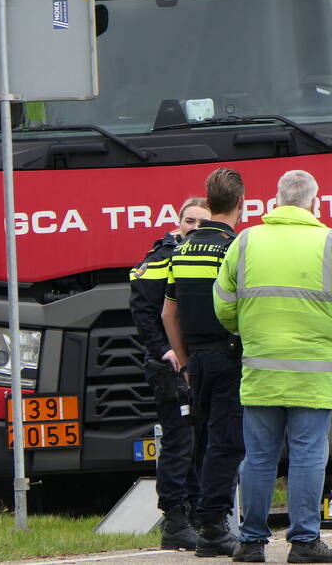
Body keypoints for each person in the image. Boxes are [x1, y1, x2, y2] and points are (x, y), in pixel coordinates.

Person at [214, 170, 332, 564]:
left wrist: (247, 331)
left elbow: (222, 303)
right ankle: (304, 542)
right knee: (307, 456)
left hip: (261, 371)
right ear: (314, 201)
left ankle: (251, 542)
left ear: (277, 199)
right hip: (314, 374)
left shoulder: (247, 241)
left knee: (259, 457)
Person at [162, 169, 245, 557]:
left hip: (196, 359)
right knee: (226, 442)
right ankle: (214, 524)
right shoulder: (236, 249)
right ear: (240, 206)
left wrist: (184, 359)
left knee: (203, 440)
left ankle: (201, 515)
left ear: (208, 205)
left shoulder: (182, 249)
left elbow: (168, 313)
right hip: (230, 355)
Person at [129, 197, 210, 550]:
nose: (193, 227)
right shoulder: (161, 257)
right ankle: (175, 520)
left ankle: (193, 515)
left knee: (199, 443)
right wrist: (166, 350)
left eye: (201, 222)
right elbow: (143, 310)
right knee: (179, 443)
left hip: (198, 363)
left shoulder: (205, 256)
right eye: (188, 220)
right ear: (178, 223)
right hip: (169, 365)